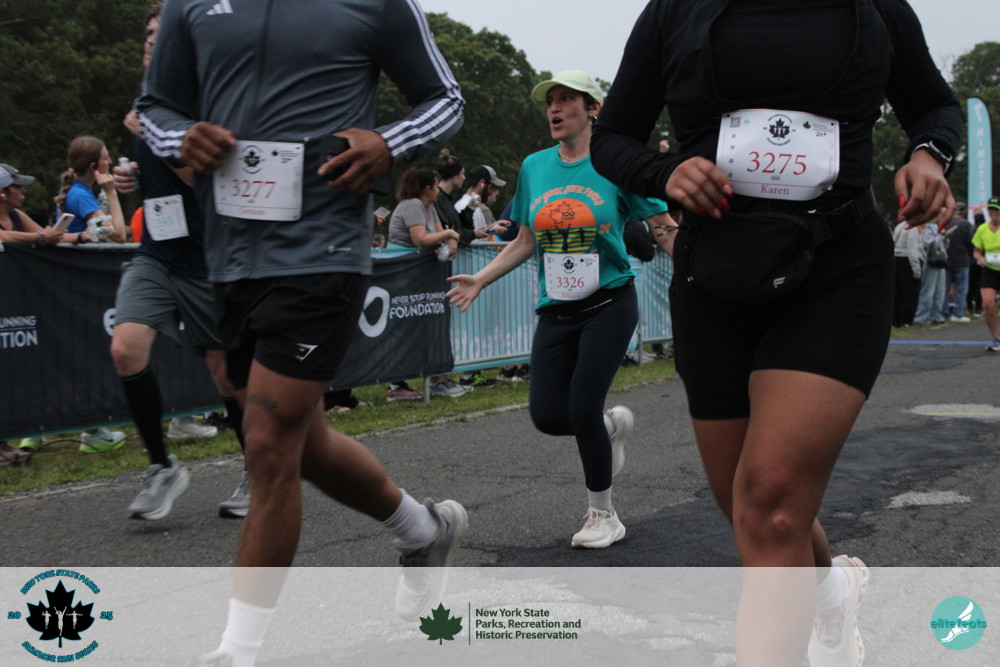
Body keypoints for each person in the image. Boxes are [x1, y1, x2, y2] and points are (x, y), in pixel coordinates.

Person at [590, 2, 962, 665]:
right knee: (750, 505)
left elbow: (933, 105)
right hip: (715, 276)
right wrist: (663, 174)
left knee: (769, 499)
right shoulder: (674, 11)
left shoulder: (875, 8)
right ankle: (830, 590)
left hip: (837, 268)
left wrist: (929, 156)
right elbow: (613, 135)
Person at [137, 2, 468, 664]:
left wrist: (390, 143)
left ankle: (238, 650)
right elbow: (154, 108)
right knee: (303, 445)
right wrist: (180, 139)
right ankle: (422, 528)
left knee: (265, 445)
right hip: (228, 259)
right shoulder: (189, 4)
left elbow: (445, 99)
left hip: (322, 251)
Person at [448, 70, 674, 549]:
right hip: (557, 308)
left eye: (567, 99)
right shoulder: (534, 167)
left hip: (610, 302)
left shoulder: (615, 163)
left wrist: (700, 270)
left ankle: (603, 514)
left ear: (592, 109)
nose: (554, 108)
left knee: (582, 406)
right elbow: (525, 239)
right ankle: (610, 429)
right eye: (550, 100)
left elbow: (661, 224)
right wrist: (481, 279)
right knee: (550, 416)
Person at [110, 3, 248, 521]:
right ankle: (162, 466)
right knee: (125, 348)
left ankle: (258, 469)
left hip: (209, 260)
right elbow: (160, 182)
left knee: (226, 376)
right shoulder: (148, 102)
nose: (152, 41)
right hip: (157, 254)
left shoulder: (204, 100)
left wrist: (155, 140)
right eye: (147, 34)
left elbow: (212, 183)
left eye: (160, 33)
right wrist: (132, 179)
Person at [386, 168, 468, 397]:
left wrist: (451, 238)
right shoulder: (412, 205)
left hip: (418, 272)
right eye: (435, 186)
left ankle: (435, 378)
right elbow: (421, 239)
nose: (438, 191)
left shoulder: (429, 207)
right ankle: (396, 385)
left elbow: (440, 232)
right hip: (402, 271)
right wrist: (450, 235)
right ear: (427, 188)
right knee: (404, 325)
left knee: (424, 324)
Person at [55, 136, 128, 244]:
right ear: (93, 166)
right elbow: (120, 236)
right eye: (106, 158)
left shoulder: (73, 188)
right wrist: (111, 192)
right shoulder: (81, 195)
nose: (110, 161)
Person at [0, 164, 64, 246]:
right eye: (17, 187)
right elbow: (2, 236)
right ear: (2, 193)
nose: (23, 191)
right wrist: (41, 236)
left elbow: (49, 235)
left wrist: (79, 237)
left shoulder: (16, 214)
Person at [972, 196, 1000, 352]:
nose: (993, 212)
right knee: (988, 305)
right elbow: (976, 251)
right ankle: (997, 338)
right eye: (991, 209)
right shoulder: (982, 229)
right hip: (990, 270)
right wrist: (979, 258)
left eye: (996, 209)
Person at [913, 215, 951, 325]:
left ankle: (936, 316)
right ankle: (921, 317)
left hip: (940, 261)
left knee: (940, 291)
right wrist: (941, 235)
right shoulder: (928, 228)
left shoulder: (938, 228)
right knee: (928, 291)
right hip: (931, 261)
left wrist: (946, 237)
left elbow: (943, 246)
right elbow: (928, 244)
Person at [942, 202, 973, 322]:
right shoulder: (966, 224)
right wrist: (971, 254)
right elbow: (971, 242)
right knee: (961, 288)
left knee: (945, 288)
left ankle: (943, 312)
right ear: (964, 212)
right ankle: (958, 313)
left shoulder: (946, 222)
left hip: (946, 259)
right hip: (962, 259)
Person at [892, 219, 924, 327]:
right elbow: (912, 249)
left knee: (898, 292)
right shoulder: (913, 229)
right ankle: (907, 320)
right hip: (907, 261)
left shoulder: (900, 226)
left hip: (897, 259)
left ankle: (896, 319)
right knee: (910, 293)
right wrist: (917, 269)